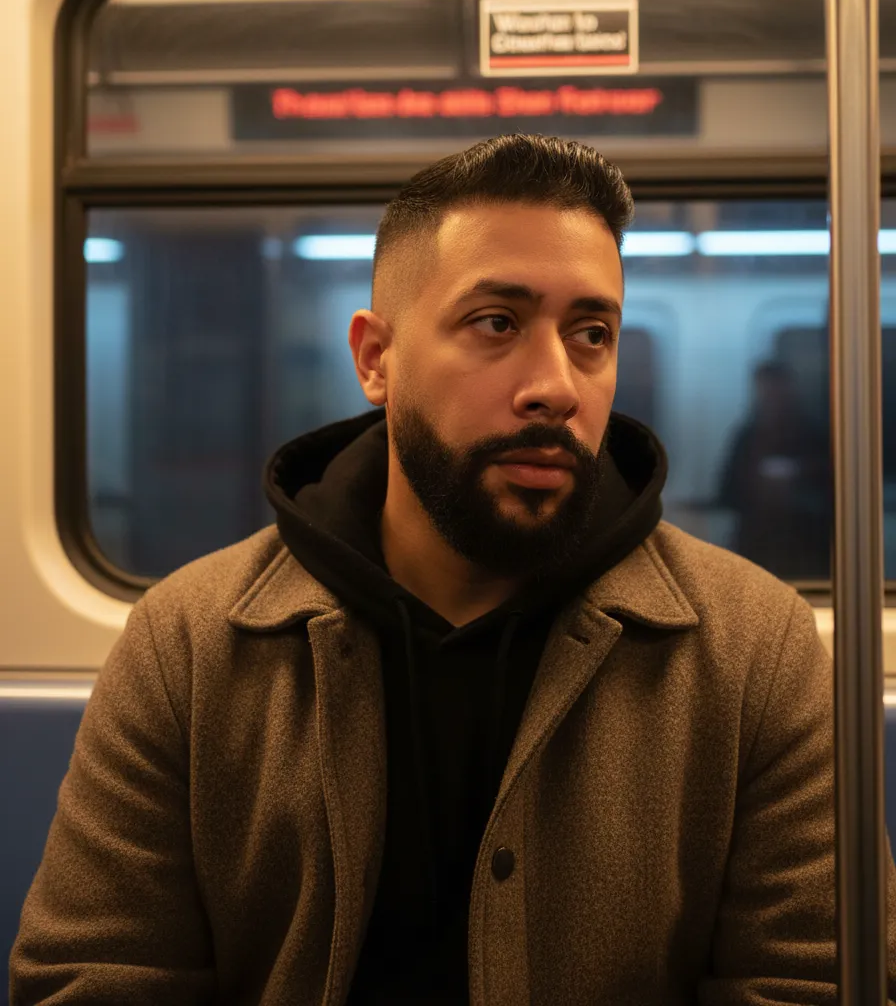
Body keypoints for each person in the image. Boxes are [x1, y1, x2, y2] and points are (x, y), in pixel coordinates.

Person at [10, 134, 896, 1005]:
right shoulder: (193, 644)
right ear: (375, 359)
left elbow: (809, 983)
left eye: (592, 333)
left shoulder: (752, 649)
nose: (555, 384)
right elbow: (93, 979)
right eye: (496, 323)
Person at [717, 360, 831, 580]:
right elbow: (727, 489)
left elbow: (832, 485)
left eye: (777, 388)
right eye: (766, 389)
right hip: (757, 536)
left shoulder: (814, 434)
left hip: (806, 536)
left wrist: (799, 474)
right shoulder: (748, 435)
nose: (772, 396)